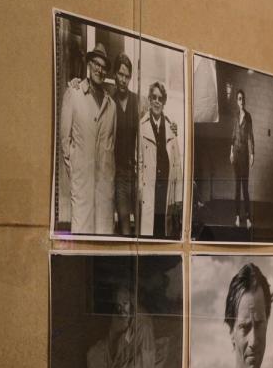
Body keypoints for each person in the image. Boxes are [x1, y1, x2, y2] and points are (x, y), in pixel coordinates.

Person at [59, 43, 116, 234]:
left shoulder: (111, 105)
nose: (100, 69)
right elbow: (65, 142)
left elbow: (111, 144)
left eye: (103, 66)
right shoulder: (73, 94)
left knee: (103, 238)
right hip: (82, 184)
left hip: (104, 187)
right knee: (81, 234)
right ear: (89, 65)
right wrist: (76, 170)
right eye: (96, 64)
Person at [138, 81, 183, 238]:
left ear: (164, 102)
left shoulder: (171, 128)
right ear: (149, 100)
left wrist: (178, 197)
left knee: (163, 231)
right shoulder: (142, 126)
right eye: (154, 97)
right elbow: (139, 162)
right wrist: (140, 190)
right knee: (149, 232)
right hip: (150, 189)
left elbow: (177, 164)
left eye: (160, 98)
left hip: (165, 190)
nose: (157, 101)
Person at [112, 53, 139, 236]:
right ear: (115, 74)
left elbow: (152, 119)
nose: (123, 79)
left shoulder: (137, 101)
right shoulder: (109, 101)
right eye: (120, 74)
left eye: (127, 76)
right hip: (119, 173)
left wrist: (172, 126)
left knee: (141, 223)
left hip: (137, 172)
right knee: (124, 224)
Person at [230, 89, 254, 228]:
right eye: (239, 98)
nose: (241, 101)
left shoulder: (248, 116)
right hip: (236, 155)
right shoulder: (235, 116)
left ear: (245, 100)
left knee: (245, 188)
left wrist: (252, 154)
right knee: (237, 187)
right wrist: (231, 152)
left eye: (243, 98)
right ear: (237, 101)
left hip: (244, 155)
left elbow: (251, 136)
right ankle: (237, 216)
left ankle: (248, 218)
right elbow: (233, 135)